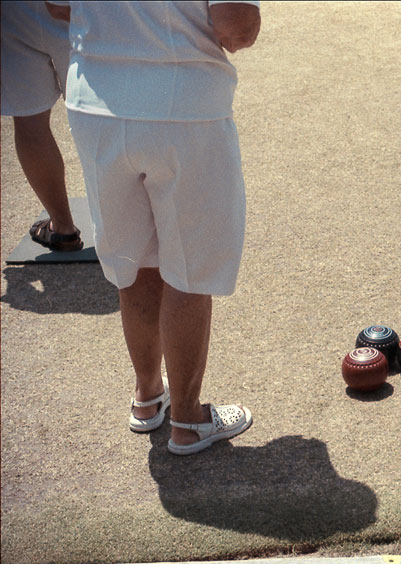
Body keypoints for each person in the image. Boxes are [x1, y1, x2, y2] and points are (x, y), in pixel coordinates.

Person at [47, 0, 261, 454]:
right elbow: (236, 26)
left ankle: (148, 396)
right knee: (190, 266)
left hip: (94, 100)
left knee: (133, 257)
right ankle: (188, 420)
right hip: (182, 102)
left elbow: (57, 5)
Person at [1, 1, 83, 251]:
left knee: (30, 122)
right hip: (82, 11)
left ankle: (62, 227)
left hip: (17, 10)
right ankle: (124, 229)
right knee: (104, 116)